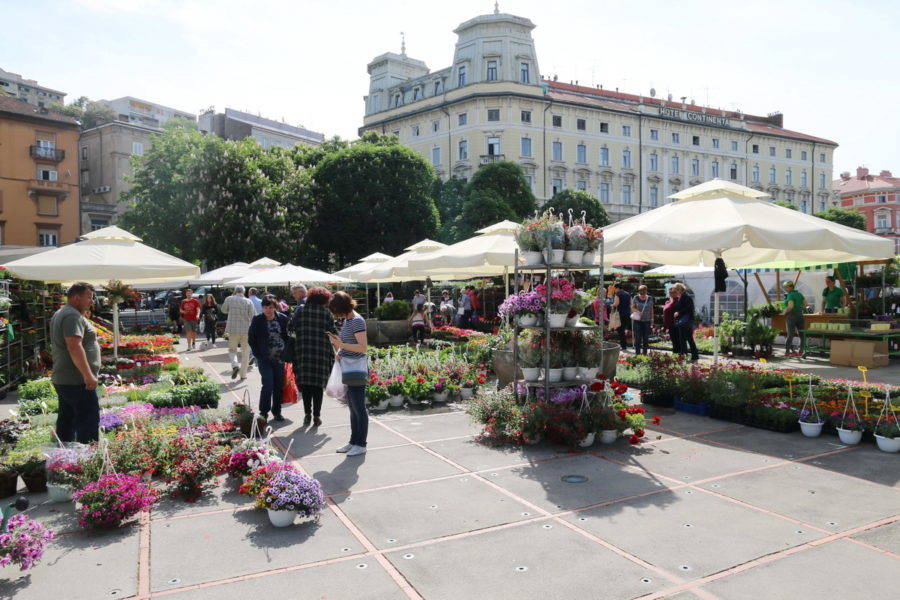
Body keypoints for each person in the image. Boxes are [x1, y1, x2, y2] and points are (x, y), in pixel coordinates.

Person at [50, 282, 101, 444]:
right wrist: (88, 375)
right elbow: (74, 346)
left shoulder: (64, 313)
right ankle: (88, 460)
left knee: (67, 420)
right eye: (89, 297)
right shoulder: (72, 316)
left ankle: (65, 459)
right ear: (76, 298)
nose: (91, 301)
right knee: (88, 420)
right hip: (77, 380)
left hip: (68, 378)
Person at [327, 291, 368, 457]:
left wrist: (341, 344)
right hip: (349, 367)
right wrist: (339, 348)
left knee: (359, 407)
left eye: (335, 310)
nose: (335, 314)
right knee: (353, 407)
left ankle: (361, 443)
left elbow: (362, 347)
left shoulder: (357, 320)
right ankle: (353, 441)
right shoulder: (349, 320)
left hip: (356, 369)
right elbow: (350, 344)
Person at [290, 286, 336, 427]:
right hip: (321, 355)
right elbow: (333, 334)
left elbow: (290, 328)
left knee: (305, 387)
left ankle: (307, 414)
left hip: (302, 354)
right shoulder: (326, 313)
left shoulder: (300, 311)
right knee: (317, 388)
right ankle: (317, 416)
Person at [248, 298, 291, 421]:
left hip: (280, 358)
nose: (268, 310)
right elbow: (251, 338)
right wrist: (257, 354)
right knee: (268, 384)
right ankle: (264, 412)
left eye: (270, 307)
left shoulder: (282, 318)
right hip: (264, 358)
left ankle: (277, 411)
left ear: (275, 307)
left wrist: (288, 352)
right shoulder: (257, 319)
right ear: (262, 308)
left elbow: (287, 336)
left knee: (278, 386)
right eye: (265, 307)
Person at [221, 286, 256, 380]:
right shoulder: (249, 301)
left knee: (232, 350)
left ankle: (235, 365)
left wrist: (230, 310)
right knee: (246, 352)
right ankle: (243, 374)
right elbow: (253, 316)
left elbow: (223, 310)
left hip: (233, 330)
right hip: (246, 330)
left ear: (235, 291)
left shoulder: (229, 299)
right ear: (244, 292)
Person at [672, 283, 699, 361]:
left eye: (675, 291)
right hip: (686, 321)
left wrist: (678, 312)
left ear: (679, 290)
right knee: (689, 339)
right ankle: (694, 355)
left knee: (682, 339)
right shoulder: (682, 297)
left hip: (685, 322)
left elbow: (689, 308)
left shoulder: (686, 297)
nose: (675, 293)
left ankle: (684, 357)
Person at [783, 280, 806, 357]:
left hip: (791, 316)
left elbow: (790, 306)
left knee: (790, 334)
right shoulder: (799, 294)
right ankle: (800, 351)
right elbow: (806, 304)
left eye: (786, 287)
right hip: (800, 315)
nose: (785, 288)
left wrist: (785, 313)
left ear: (791, 287)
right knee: (801, 334)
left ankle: (787, 352)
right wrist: (799, 308)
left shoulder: (790, 295)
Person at [631, 285, 654, 355]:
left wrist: (652, 320)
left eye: (644, 290)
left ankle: (645, 354)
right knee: (637, 338)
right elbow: (632, 308)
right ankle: (637, 354)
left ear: (646, 291)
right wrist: (638, 312)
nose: (642, 292)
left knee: (645, 338)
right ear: (639, 291)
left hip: (647, 321)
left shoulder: (650, 298)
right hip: (638, 321)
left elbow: (651, 309)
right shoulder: (636, 297)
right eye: (641, 290)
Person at [610, 282, 632, 351]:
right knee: (625, 329)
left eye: (614, 288)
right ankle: (626, 345)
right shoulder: (628, 294)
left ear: (617, 288)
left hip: (620, 314)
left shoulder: (618, 294)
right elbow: (631, 304)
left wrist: (611, 305)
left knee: (621, 331)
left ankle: (623, 346)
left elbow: (616, 304)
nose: (614, 290)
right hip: (627, 314)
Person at [662, 286, 681, 353]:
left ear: (676, 293)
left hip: (675, 324)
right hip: (670, 324)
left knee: (676, 340)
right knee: (674, 340)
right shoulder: (670, 301)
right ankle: (676, 353)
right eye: (670, 292)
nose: (671, 294)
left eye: (673, 292)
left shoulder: (678, 300)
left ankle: (678, 354)